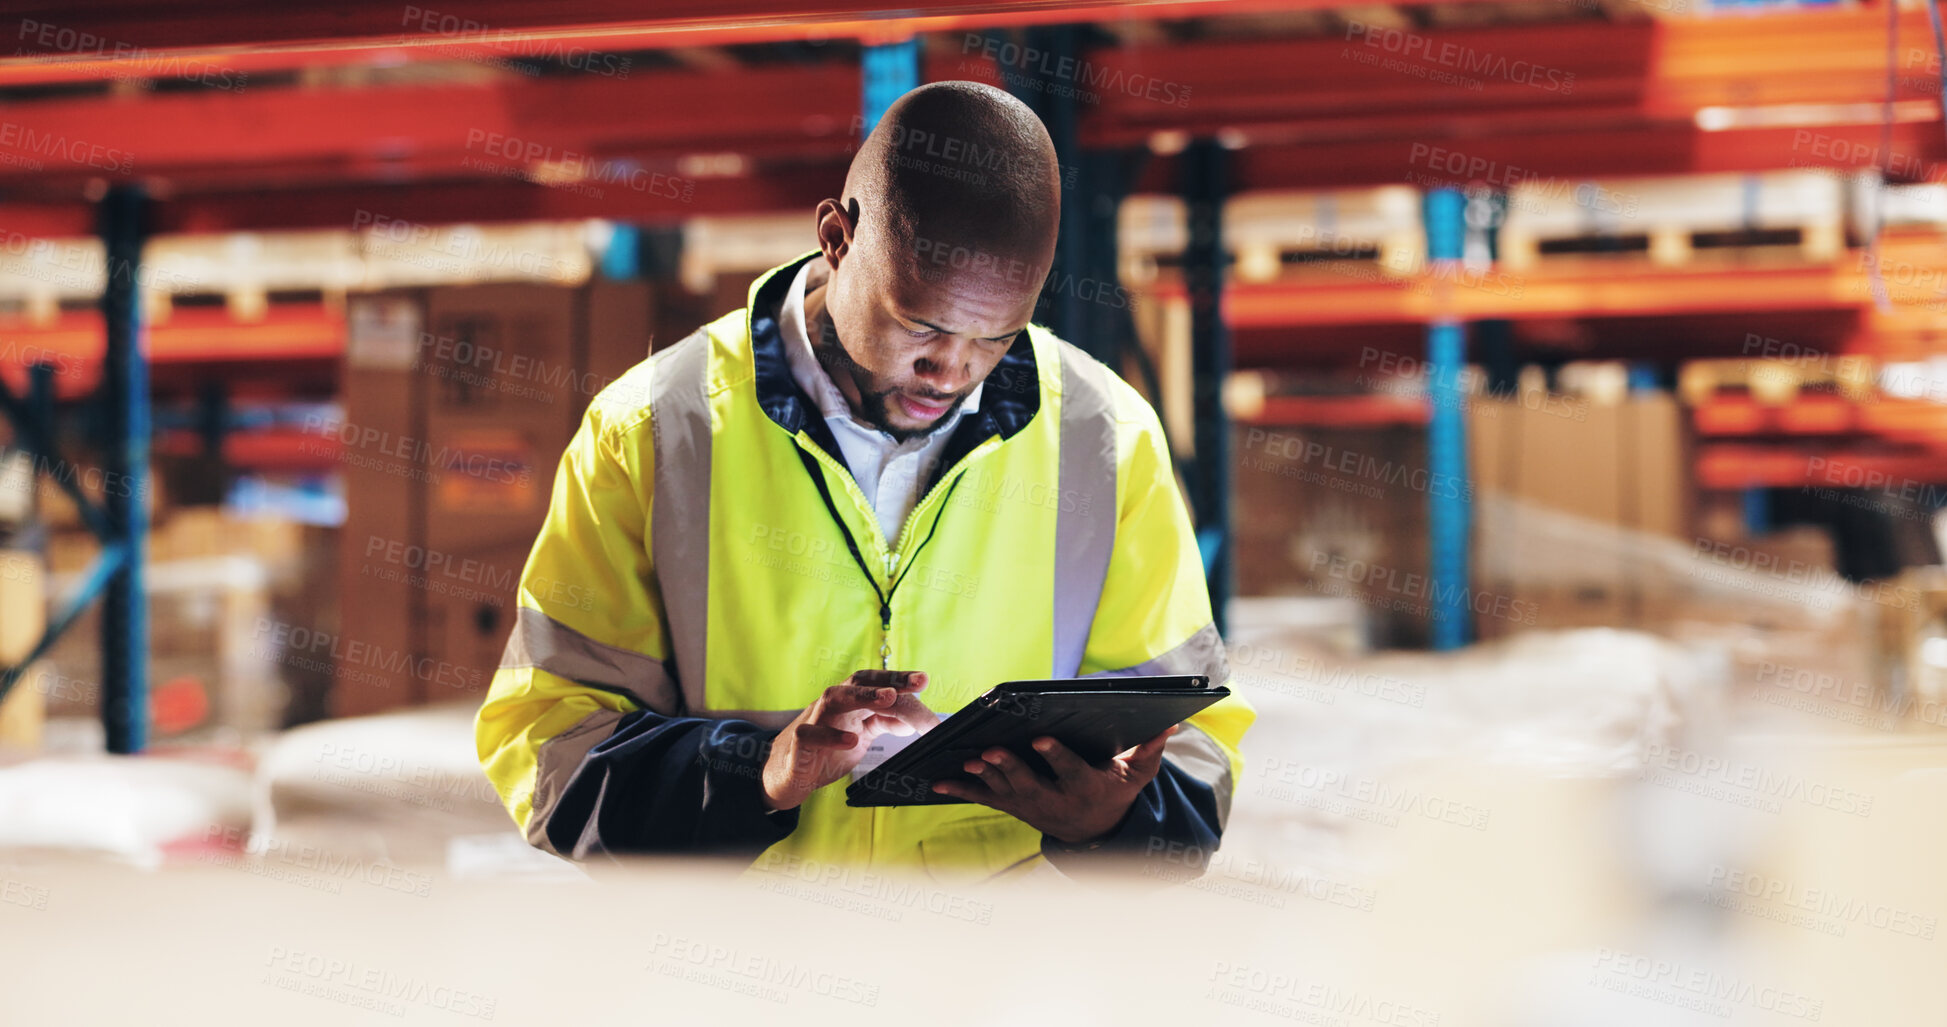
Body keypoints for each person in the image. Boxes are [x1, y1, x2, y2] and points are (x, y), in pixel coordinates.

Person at [475, 80, 1254, 880]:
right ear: (836, 237)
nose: (950, 369)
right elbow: (544, 742)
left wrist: (1120, 819)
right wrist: (757, 772)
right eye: (920, 323)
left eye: (997, 335)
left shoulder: (1106, 438)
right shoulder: (651, 429)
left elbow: (1191, 744)